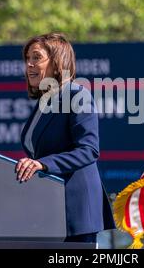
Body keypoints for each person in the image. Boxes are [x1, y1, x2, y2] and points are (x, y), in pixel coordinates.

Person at [15, 32, 115, 243]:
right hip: (50, 210)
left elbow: (89, 150)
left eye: (36, 57)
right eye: (27, 59)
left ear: (57, 61)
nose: (29, 65)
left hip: (76, 210)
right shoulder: (44, 103)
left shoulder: (77, 95)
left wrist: (42, 164)